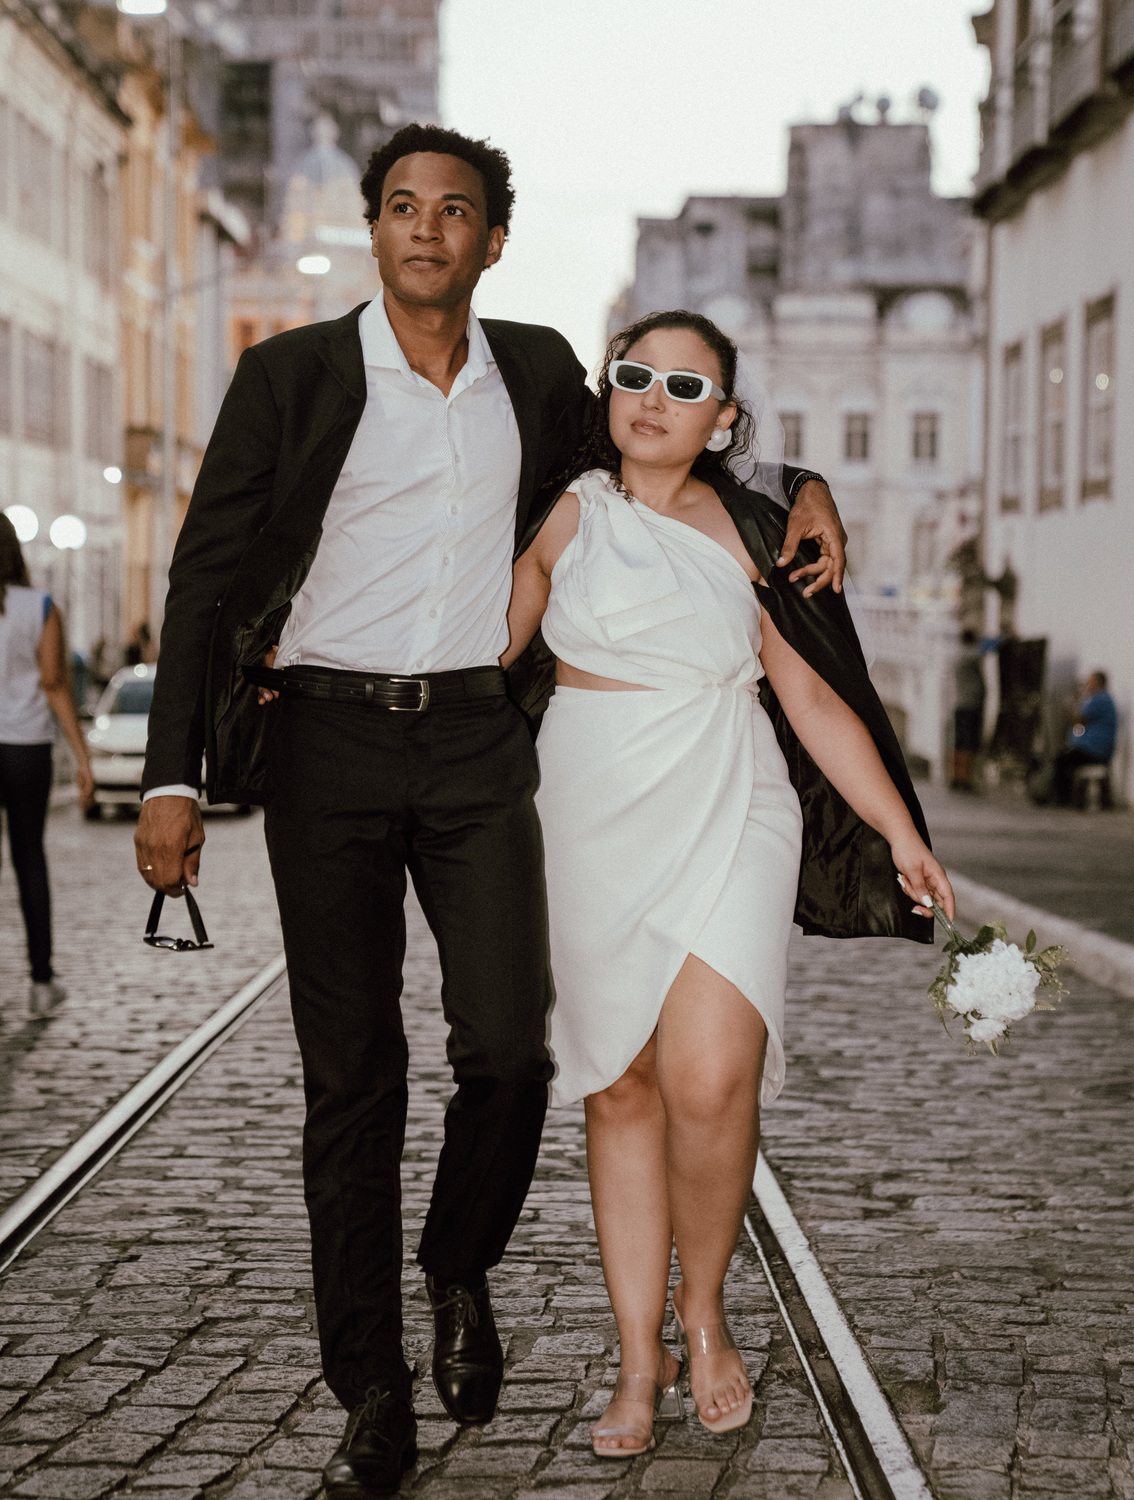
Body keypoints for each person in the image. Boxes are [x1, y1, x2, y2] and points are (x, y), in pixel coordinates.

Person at [133, 125, 850, 1496]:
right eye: (401, 206)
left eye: (452, 210)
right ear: (374, 229)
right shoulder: (289, 375)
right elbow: (204, 575)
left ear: (492, 240)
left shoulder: (532, 369)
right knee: (353, 1078)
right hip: (325, 739)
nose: (425, 227)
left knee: (513, 1055)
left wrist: (798, 484)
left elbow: (663, 451)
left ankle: (457, 1266)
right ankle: (371, 1389)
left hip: (474, 739)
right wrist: (171, 774)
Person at [501, 310, 954, 1457]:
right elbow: (477, 656)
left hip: (733, 794)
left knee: (709, 1078)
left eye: (686, 386)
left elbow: (811, 696)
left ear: (724, 419)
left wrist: (899, 832)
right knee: (621, 1081)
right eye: (636, 375)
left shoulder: (758, 529)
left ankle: (703, 1314)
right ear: (608, 392)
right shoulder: (561, 516)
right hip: (588, 809)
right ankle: (637, 1359)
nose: (654, 399)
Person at [0, 514, 95, 1015]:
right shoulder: (39, 607)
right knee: (29, 858)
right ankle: (41, 982)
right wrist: (82, 758)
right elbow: (55, 683)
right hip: (26, 747)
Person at [1054, 670, 1117, 806]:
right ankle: (1068, 797)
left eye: (1090, 681)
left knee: (1061, 760)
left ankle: (1063, 799)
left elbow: (1078, 718)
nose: (1088, 684)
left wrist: (1074, 700)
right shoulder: (1097, 699)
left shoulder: (1100, 699)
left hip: (1095, 751)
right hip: (1092, 749)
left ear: (1098, 683)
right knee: (1065, 757)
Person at [951, 628, 986, 791]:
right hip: (970, 705)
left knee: (960, 742)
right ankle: (964, 778)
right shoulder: (968, 655)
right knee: (968, 742)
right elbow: (983, 651)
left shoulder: (959, 655)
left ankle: (957, 777)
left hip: (962, 704)